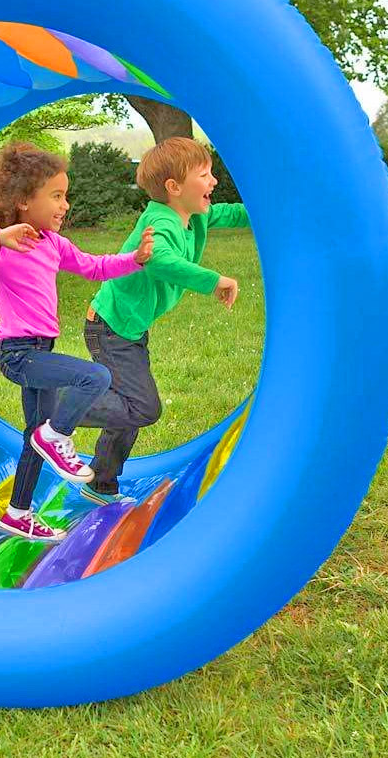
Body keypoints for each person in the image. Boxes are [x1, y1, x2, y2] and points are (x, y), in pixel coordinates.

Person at [0, 142, 154, 541]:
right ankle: (57, 434)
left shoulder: (53, 244)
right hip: (18, 353)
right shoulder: (4, 246)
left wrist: (134, 260)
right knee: (96, 377)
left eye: (65, 196)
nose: (65, 205)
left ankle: (18, 513)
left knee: (31, 436)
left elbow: (94, 267)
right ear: (22, 201)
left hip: (41, 351)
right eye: (56, 196)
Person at [78, 137, 250, 504]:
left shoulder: (192, 217)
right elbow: (158, 259)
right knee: (143, 407)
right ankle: (59, 407)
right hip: (110, 328)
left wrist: (268, 211)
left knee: (129, 408)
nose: (214, 181)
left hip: (128, 328)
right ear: (174, 188)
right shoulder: (160, 222)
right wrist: (213, 280)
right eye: (204, 175)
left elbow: (231, 213)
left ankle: (101, 483)